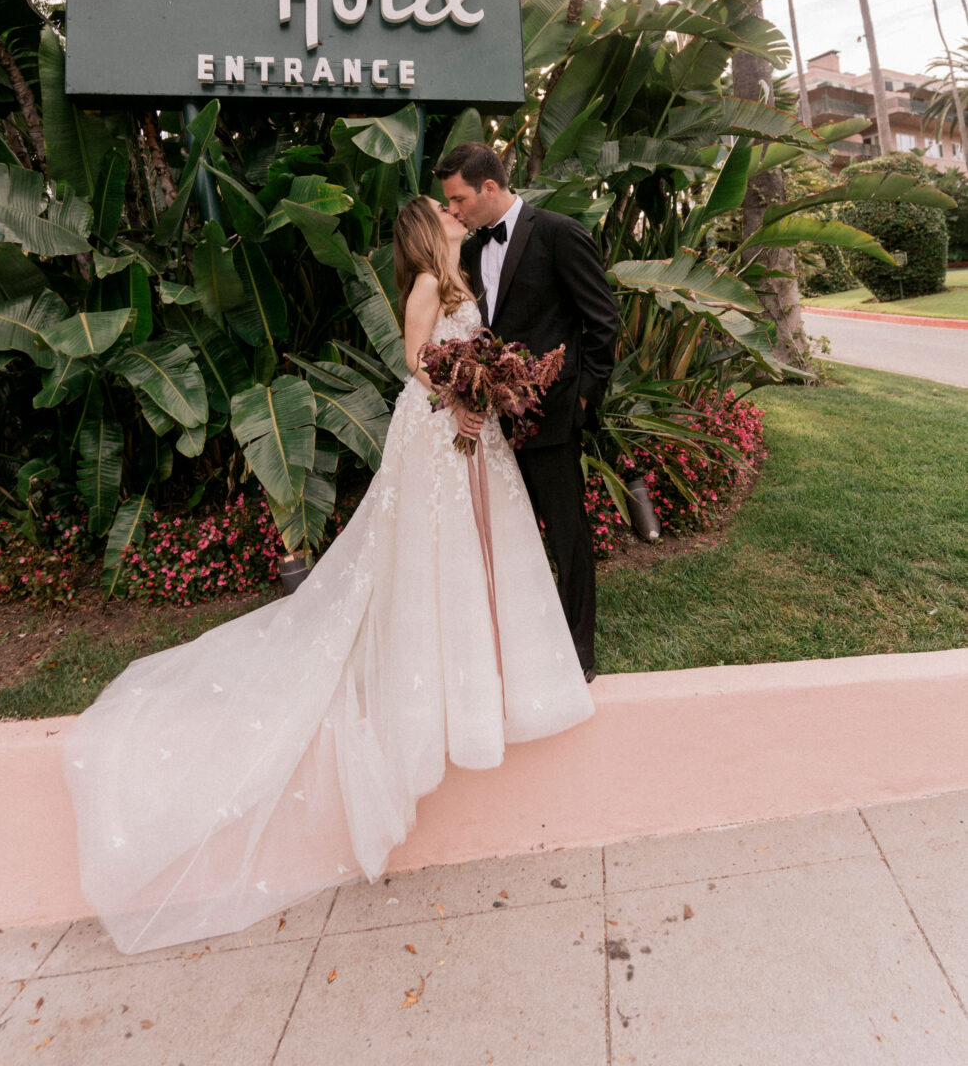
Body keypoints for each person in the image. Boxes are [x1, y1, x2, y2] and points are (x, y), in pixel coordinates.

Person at [63, 194, 594, 955]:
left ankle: (495, 666)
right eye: (443, 210)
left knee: (484, 547)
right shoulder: (421, 289)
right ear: (423, 229)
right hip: (438, 426)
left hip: (473, 430)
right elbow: (414, 364)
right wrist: (462, 397)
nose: (454, 213)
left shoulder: (462, 283)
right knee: (433, 550)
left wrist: (488, 390)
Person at [433, 143, 620, 682]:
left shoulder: (557, 232)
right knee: (511, 535)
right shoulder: (469, 251)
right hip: (493, 422)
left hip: (554, 413)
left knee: (567, 535)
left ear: (489, 187)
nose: (455, 211)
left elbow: (602, 322)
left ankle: (579, 652)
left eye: (460, 198)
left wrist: (582, 398)